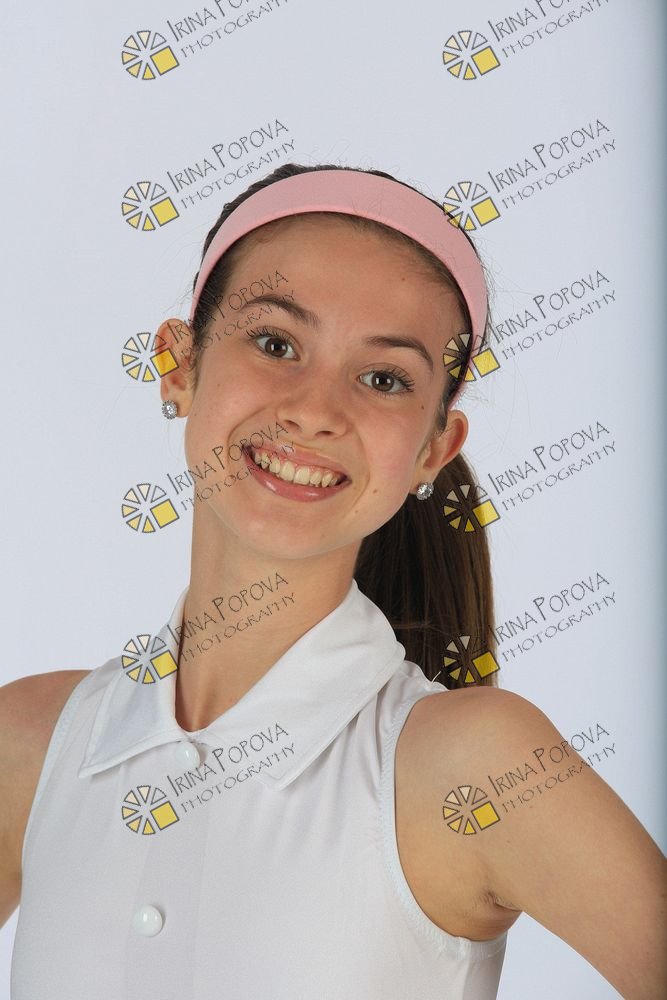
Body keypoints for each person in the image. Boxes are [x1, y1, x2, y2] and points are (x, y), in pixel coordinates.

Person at [1, 163, 665, 999]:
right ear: (177, 364)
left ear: (433, 449)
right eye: (275, 344)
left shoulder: (470, 765)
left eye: (383, 379)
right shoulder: (32, 747)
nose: (315, 411)